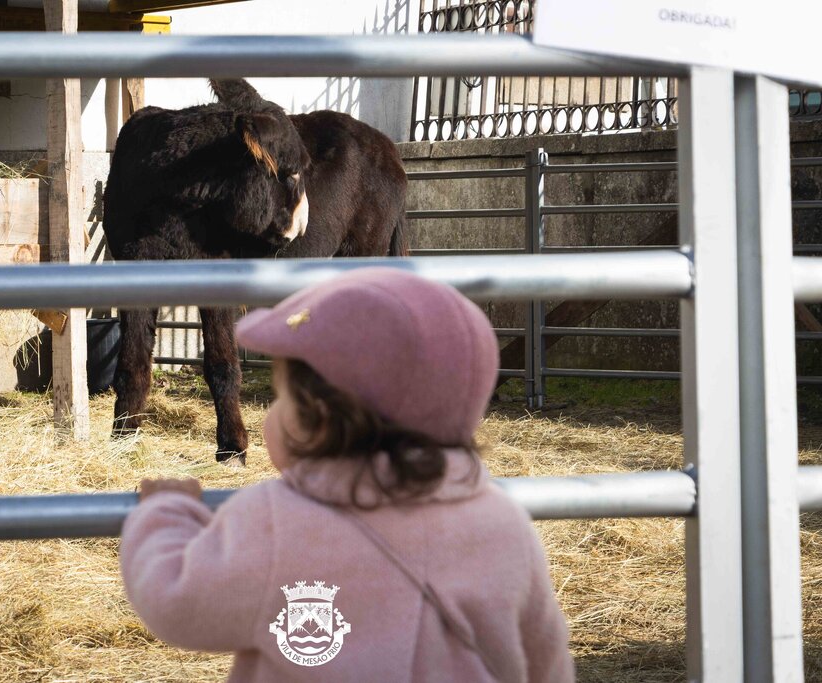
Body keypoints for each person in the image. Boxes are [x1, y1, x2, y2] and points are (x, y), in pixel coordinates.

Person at [119, 267, 574, 682]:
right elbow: (546, 662)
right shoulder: (503, 526)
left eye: (281, 399)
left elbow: (180, 603)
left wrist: (167, 514)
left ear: (315, 413)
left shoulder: (275, 522)